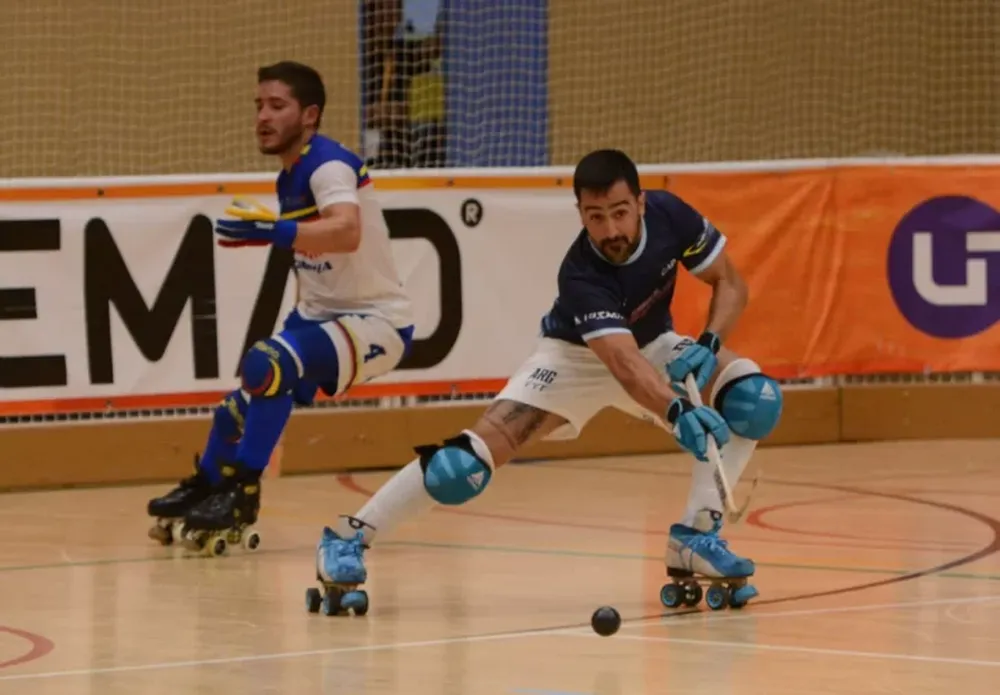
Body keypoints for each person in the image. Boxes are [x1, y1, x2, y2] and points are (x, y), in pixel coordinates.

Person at [309, 148, 783, 616]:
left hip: (655, 345)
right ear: (580, 214)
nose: (611, 230)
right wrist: (677, 410)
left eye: (620, 212)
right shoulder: (580, 273)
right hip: (573, 359)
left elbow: (731, 282)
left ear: (640, 202)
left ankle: (697, 536)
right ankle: (349, 536)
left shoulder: (670, 215)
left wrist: (709, 342)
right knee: (460, 467)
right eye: (595, 217)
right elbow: (621, 363)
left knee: (752, 399)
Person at [147, 61, 415, 557]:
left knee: (266, 363)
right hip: (323, 318)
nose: (262, 117)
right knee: (233, 414)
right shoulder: (288, 175)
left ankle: (241, 493)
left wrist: (276, 231)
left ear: (309, 115)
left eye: (277, 106)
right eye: (258, 106)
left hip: (377, 323)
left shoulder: (329, 166)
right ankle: (209, 486)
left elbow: (347, 229)